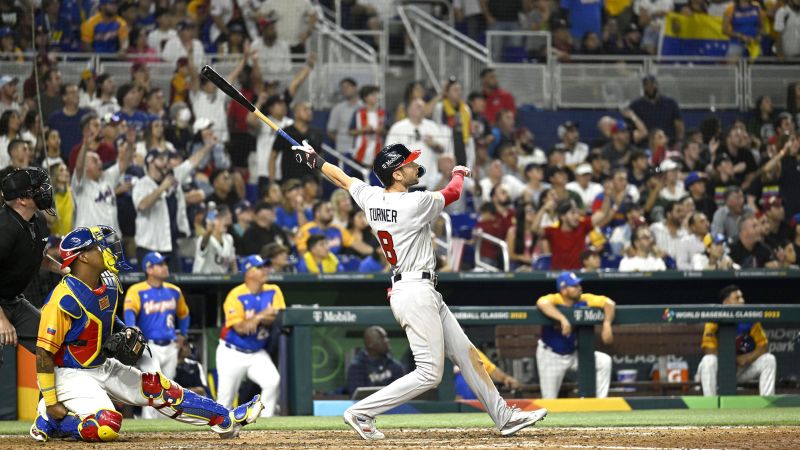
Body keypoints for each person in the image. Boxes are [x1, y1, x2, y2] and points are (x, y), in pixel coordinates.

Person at [291, 140, 547, 440]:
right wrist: (459, 172)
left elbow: (342, 178)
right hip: (415, 289)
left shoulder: (372, 197)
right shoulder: (412, 203)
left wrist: (314, 161)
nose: (415, 166)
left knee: (467, 355)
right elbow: (453, 192)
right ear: (396, 175)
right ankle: (362, 411)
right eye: (409, 163)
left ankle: (503, 416)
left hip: (417, 288)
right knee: (429, 373)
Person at [30, 226, 263, 443]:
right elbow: (43, 353)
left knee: (159, 388)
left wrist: (125, 330)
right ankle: (53, 420)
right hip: (70, 374)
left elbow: (107, 317)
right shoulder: (62, 298)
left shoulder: (109, 282)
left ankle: (226, 419)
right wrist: (51, 402)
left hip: (101, 364)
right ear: (83, 257)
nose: (108, 249)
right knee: (106, 425)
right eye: (98, 246)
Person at [0, 168, 64, 368]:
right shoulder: (4, 229)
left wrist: (66, 271)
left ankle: (50, 399)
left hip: (14, 301)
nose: (44, 190)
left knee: (52, 344)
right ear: (22, 199)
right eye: (36, 189)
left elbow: (38, 256)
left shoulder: (38, 219)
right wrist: (1, 320)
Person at [123, 251, 190, 419]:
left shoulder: (175, 291)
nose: (164, 267)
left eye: (165, 264)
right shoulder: (137, 290)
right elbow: (129, 311)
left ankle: (162, 429)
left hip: (171, 345)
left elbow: (184, 314)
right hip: (148, 346)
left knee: (168, 389)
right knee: (155, 386)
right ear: (149, 269)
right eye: (160, 265)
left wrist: (183, 334)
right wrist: (133, 328)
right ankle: (148, 422)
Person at [217, 255, 284, 417]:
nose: (265, 270)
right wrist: (261, 316)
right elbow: (241, 328)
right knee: (225, 400)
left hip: (256, 352)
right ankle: (217, 434)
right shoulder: (235, 295)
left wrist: (256, 319)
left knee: (272, 381)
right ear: (249, 272)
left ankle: (266, 423)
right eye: (260, 267)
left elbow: (276, 317)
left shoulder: (273, 290)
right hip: (232, 352)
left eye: (265, 266)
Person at [535, 272, 614, 398]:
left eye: (578, 284)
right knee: (549, 401)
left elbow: (609, 303)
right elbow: (542, 302)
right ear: (564, 289)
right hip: (551, 356)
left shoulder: (584, 299)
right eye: (574, 286)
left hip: (573, 355)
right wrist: (562, 318)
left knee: (604, 361)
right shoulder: (556, 299)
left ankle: (599, 404)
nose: (579, 288)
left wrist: (607, 324)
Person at [696, 285, 776, 396]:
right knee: (708, 360)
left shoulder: (750, 319)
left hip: (740, 370)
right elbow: (709, 350)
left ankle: (768, 404)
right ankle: (710, 405)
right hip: (719, 371)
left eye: (742, 297)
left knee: (769, 359)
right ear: (726, 303)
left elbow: (763, 346)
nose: (742, 301)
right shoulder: (713, 320)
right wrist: (734, 358)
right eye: (737, 298)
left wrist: (748, 358)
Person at [71, 114, 132, 232]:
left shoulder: (107, 176)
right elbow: (78, 169)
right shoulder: (81, 184)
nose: (100, 163)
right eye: (95, 161)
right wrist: (85, 145)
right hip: (90, 242)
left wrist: (130, 144)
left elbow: (124, 163)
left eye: (99, 160)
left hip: (112, 239)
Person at [388, 98, 450, 189]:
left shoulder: (432, 126)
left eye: (423, 107)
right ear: (409, 110)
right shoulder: (398, 128)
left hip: (429, 180)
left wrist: (433, 144)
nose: (421, 109)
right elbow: (389, 153)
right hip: (405, 181)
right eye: (418, 107)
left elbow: (442, 149)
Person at [346, 326, 406, 396]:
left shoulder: (396, 366)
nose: (387, 340)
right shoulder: (356, 367)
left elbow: (403, 393)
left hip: (394, 405)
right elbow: (357, 397)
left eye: (386, 337)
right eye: (382, 338)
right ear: (370, 344)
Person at [629, 76, 684, 142]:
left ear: (657, 85)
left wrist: (679, 141)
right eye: (646, 85)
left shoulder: (670, 103)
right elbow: (632, 129)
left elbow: (678, 124)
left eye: (652, 84)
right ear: (643, 87)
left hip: (668, 143)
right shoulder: (635, 105)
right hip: (645, 144)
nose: (650, 87)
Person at [349, 85, 386, 167]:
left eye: (376, 94)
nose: (376, 97)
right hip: (360, 153)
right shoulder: (358, 113)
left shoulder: (383, 113)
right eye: (373, 95)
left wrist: (382, 130)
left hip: (378, 151)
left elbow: (388, 131)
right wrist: (363, 130)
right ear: (365, 98)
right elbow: (350, 131)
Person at [327, 78, 360, 155]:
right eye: (342, 88)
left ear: (355, 88)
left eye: (347, 87)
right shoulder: (338, 108)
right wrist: (341, 141)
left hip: (362, 150)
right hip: (343, 150)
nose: (344, 90)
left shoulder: (364, 107)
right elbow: (330, 131)